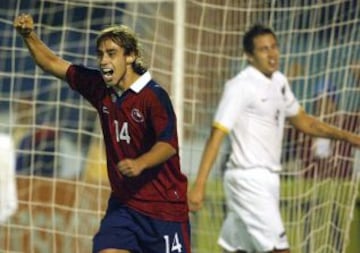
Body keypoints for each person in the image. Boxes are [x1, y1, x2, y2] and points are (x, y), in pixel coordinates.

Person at [14, 13, 190, 253]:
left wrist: (140, 163)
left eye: (112, 53)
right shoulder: (100, 87)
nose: (104, 60)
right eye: (100, 54)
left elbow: (168, 145)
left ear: (131, 56)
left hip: (164, 209)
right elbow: (52, 63)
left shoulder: (153, 96)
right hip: (125, 206)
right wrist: (29, 35)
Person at [188, 24, 360, 253]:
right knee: (280, 249)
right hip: (249, 179)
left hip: (267, 178)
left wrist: (347, 136)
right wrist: (199, 184)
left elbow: (303, 121)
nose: (272, 54)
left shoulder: (279, 81)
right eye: (263, 49)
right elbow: (216, 135)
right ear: (249, 56)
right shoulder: (240, 86)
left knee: (238, 249)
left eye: (274, 47)